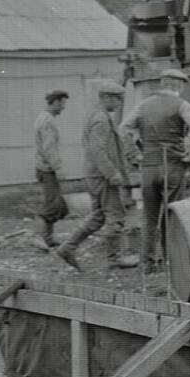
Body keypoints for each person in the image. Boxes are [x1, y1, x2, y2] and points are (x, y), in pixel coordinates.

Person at [118, 68, 190, 273]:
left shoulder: (143, 105)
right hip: (173, 166)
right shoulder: (182, 105)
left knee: (149, 217)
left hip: (148, 167)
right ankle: (171, 262)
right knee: (173, 214)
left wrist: (134, 155)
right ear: (179, 85)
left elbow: (123, 128)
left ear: (162, 84)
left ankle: (147, 264)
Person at [54, 80, 139, 271]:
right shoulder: (101, 119)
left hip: (94, 174)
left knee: (98, 216)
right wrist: (112, 174)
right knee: (116, 215)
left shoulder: (96, 115)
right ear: (107, 97)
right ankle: (114, 258)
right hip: (102, 176)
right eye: (117, 99)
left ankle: (68, 247)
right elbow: (96, 149)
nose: (118, 104)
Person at [34, 89, 70, 248]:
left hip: (45, 168)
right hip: (48, 169)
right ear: (55, 102)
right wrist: (58, 169)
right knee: (52, 206)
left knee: (56, 204)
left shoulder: (44, 118)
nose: (63, 107)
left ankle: (48, 238)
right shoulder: (47, 121)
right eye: (62, 104)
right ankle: (37, 237)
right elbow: (49, 149)